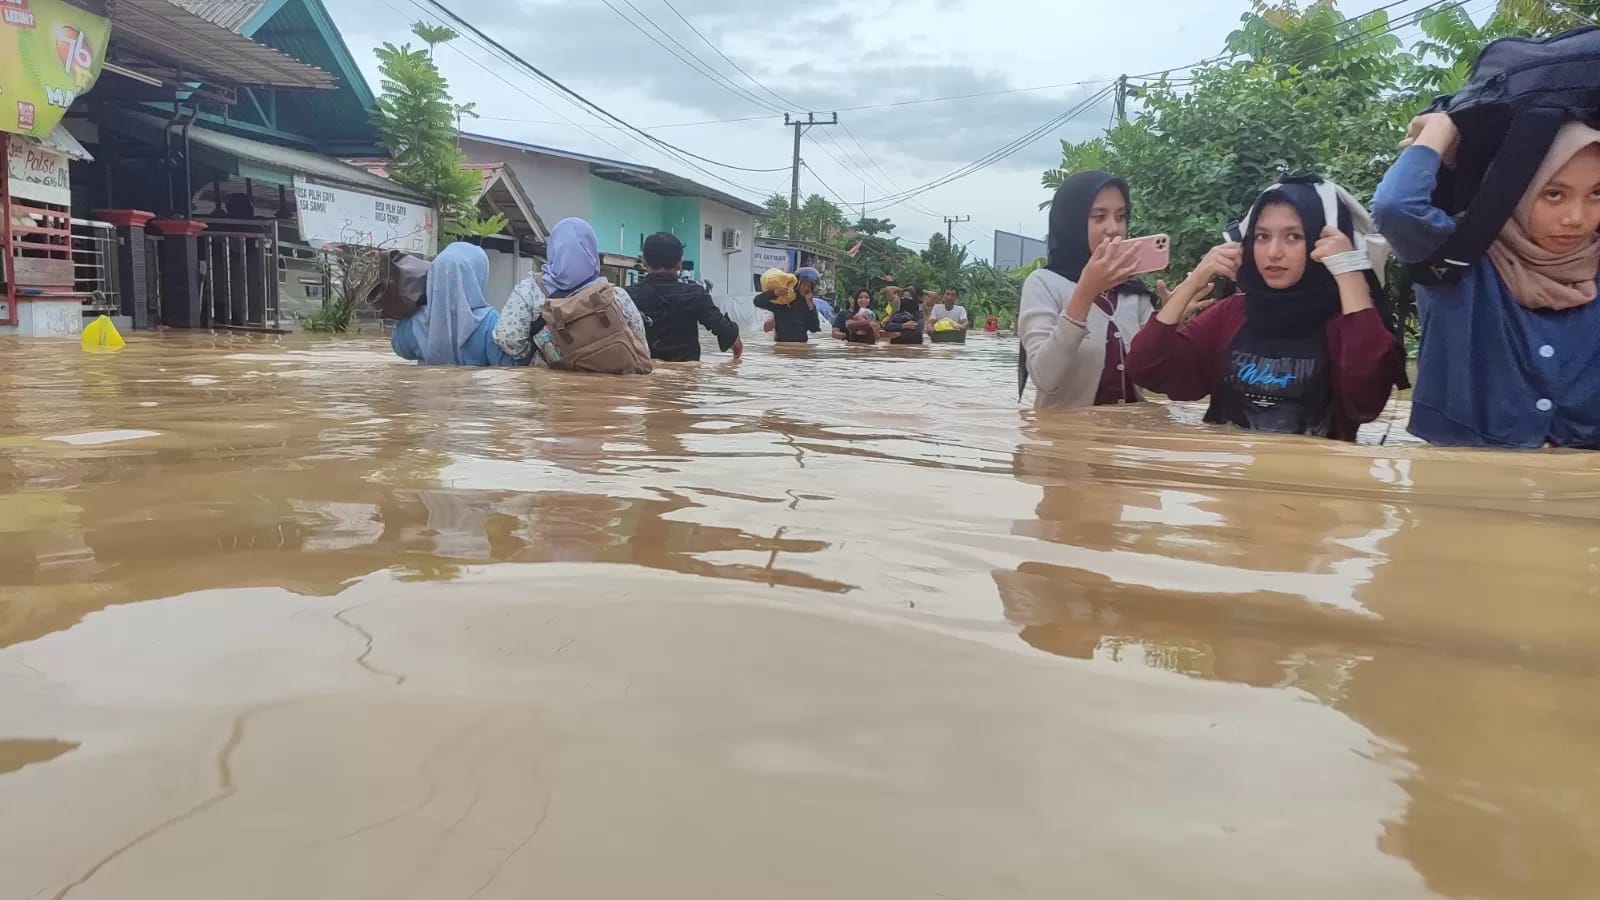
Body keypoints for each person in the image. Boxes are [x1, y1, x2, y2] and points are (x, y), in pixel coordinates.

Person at [1373, 113, 1600, 448]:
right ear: (1516, 189)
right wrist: (1444, 125)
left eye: (1596, 194)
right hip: (1465, 486)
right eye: (1554, 194)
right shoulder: (1461, 254)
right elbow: (1395, 209)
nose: (1575, 218)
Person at [1126, 177, 1403, 441]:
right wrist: (1196, 279)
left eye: (1293, 236)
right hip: (1233, 479)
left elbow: (1367, 402)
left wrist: (1348, 271)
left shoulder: (1348, 320)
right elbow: (1147, 369)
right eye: (1261, 237)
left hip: (1316, 484)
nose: (1273, 252)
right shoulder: (1231, 314)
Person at [1018, 171, 1155, 408]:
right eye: (1099, 217)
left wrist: (1175, 315)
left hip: (1129, 441)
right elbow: (1045, 378)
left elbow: (1158, 380)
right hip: (1064, 441)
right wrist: (1085, 292)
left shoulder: (1134, 292)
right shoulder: (1043, 284)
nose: (1114, 228)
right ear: (1072, 222)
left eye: (1121, 217)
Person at [493, 217, 649, 366]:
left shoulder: (530, 290)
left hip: (549, 386)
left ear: (553, 249)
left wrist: (538, 353)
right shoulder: (615, 295)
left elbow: (508, 339)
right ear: (592, 250)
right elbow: (641, 346)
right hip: (610, 387)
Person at [392, 242, 522, 367]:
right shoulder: (489, 322)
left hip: (425, 388)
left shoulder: (412, 321)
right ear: (478, 276)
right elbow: (506, 366)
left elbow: (400, 349)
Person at [629, 232, 743, 362]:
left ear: (644, 260)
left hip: (643, 372)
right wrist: (735, 343)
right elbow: (724, 329)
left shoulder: (627, 296)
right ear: (679, 263)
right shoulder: (695, 294)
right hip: (685, 378)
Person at [753, 265, 822, 342]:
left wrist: (811, 305)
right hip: (781, 346)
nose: (806, 288)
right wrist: (774, 293)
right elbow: (757, 302)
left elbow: (814, 328)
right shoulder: (782, 300)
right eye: (804, 285)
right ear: (797, 284)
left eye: (809, 286)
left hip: (801, 347)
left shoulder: (808, 305)